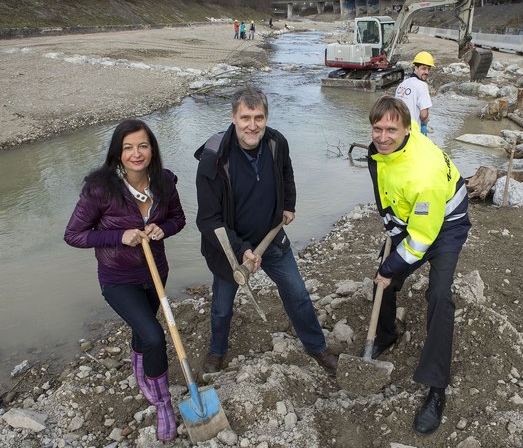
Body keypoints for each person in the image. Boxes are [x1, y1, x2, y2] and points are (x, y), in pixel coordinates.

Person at [194, 86, 338, 376]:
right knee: (222, 307)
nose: (253, 125)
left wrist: (288, 204)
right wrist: (241, 250)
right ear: (233, 117)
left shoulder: (275, 142)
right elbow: (208, 220)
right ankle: (217, 351)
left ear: (266, 117)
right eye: (246, 117)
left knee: (298, 295)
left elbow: (286, 172)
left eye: (259, 117)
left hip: (272, 239)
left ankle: (317, 348)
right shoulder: (214, 159)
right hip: (230, 250)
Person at [64, 119, 186, 441]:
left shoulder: (165, 181)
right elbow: (74, 235)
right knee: (155, 336)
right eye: (128, 147)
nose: (136, 153)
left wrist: (165, 229)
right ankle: (163, 404)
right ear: (118, 153)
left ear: (152, 149)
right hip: (118, 278)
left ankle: (140, 369)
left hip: (156, 272)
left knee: (142, 329)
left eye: (143, 145)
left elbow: (178, 218)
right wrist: (120, 235)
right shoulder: (100, 188)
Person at [365, 97, 471, 435]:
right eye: (377, 128)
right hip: (414, 222)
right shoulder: (379, 150)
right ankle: (386, 335)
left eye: (391, 130)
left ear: (407, 129)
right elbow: (386, 190)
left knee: (439, 296)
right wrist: (391, 226)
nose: (382, 136)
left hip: (446, 228)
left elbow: (422, 239)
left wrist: (392, 263)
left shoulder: (424, 173)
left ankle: (436, 387)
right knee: (382, 282)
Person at [395, 51, 434, 136]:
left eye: (428, 69)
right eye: (424, 68)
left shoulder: (402, 84)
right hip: (411, 134)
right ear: (416, 68)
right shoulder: (422, 85)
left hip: (397, 131)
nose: (427, 72)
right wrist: (425, 120)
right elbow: (423, 115)